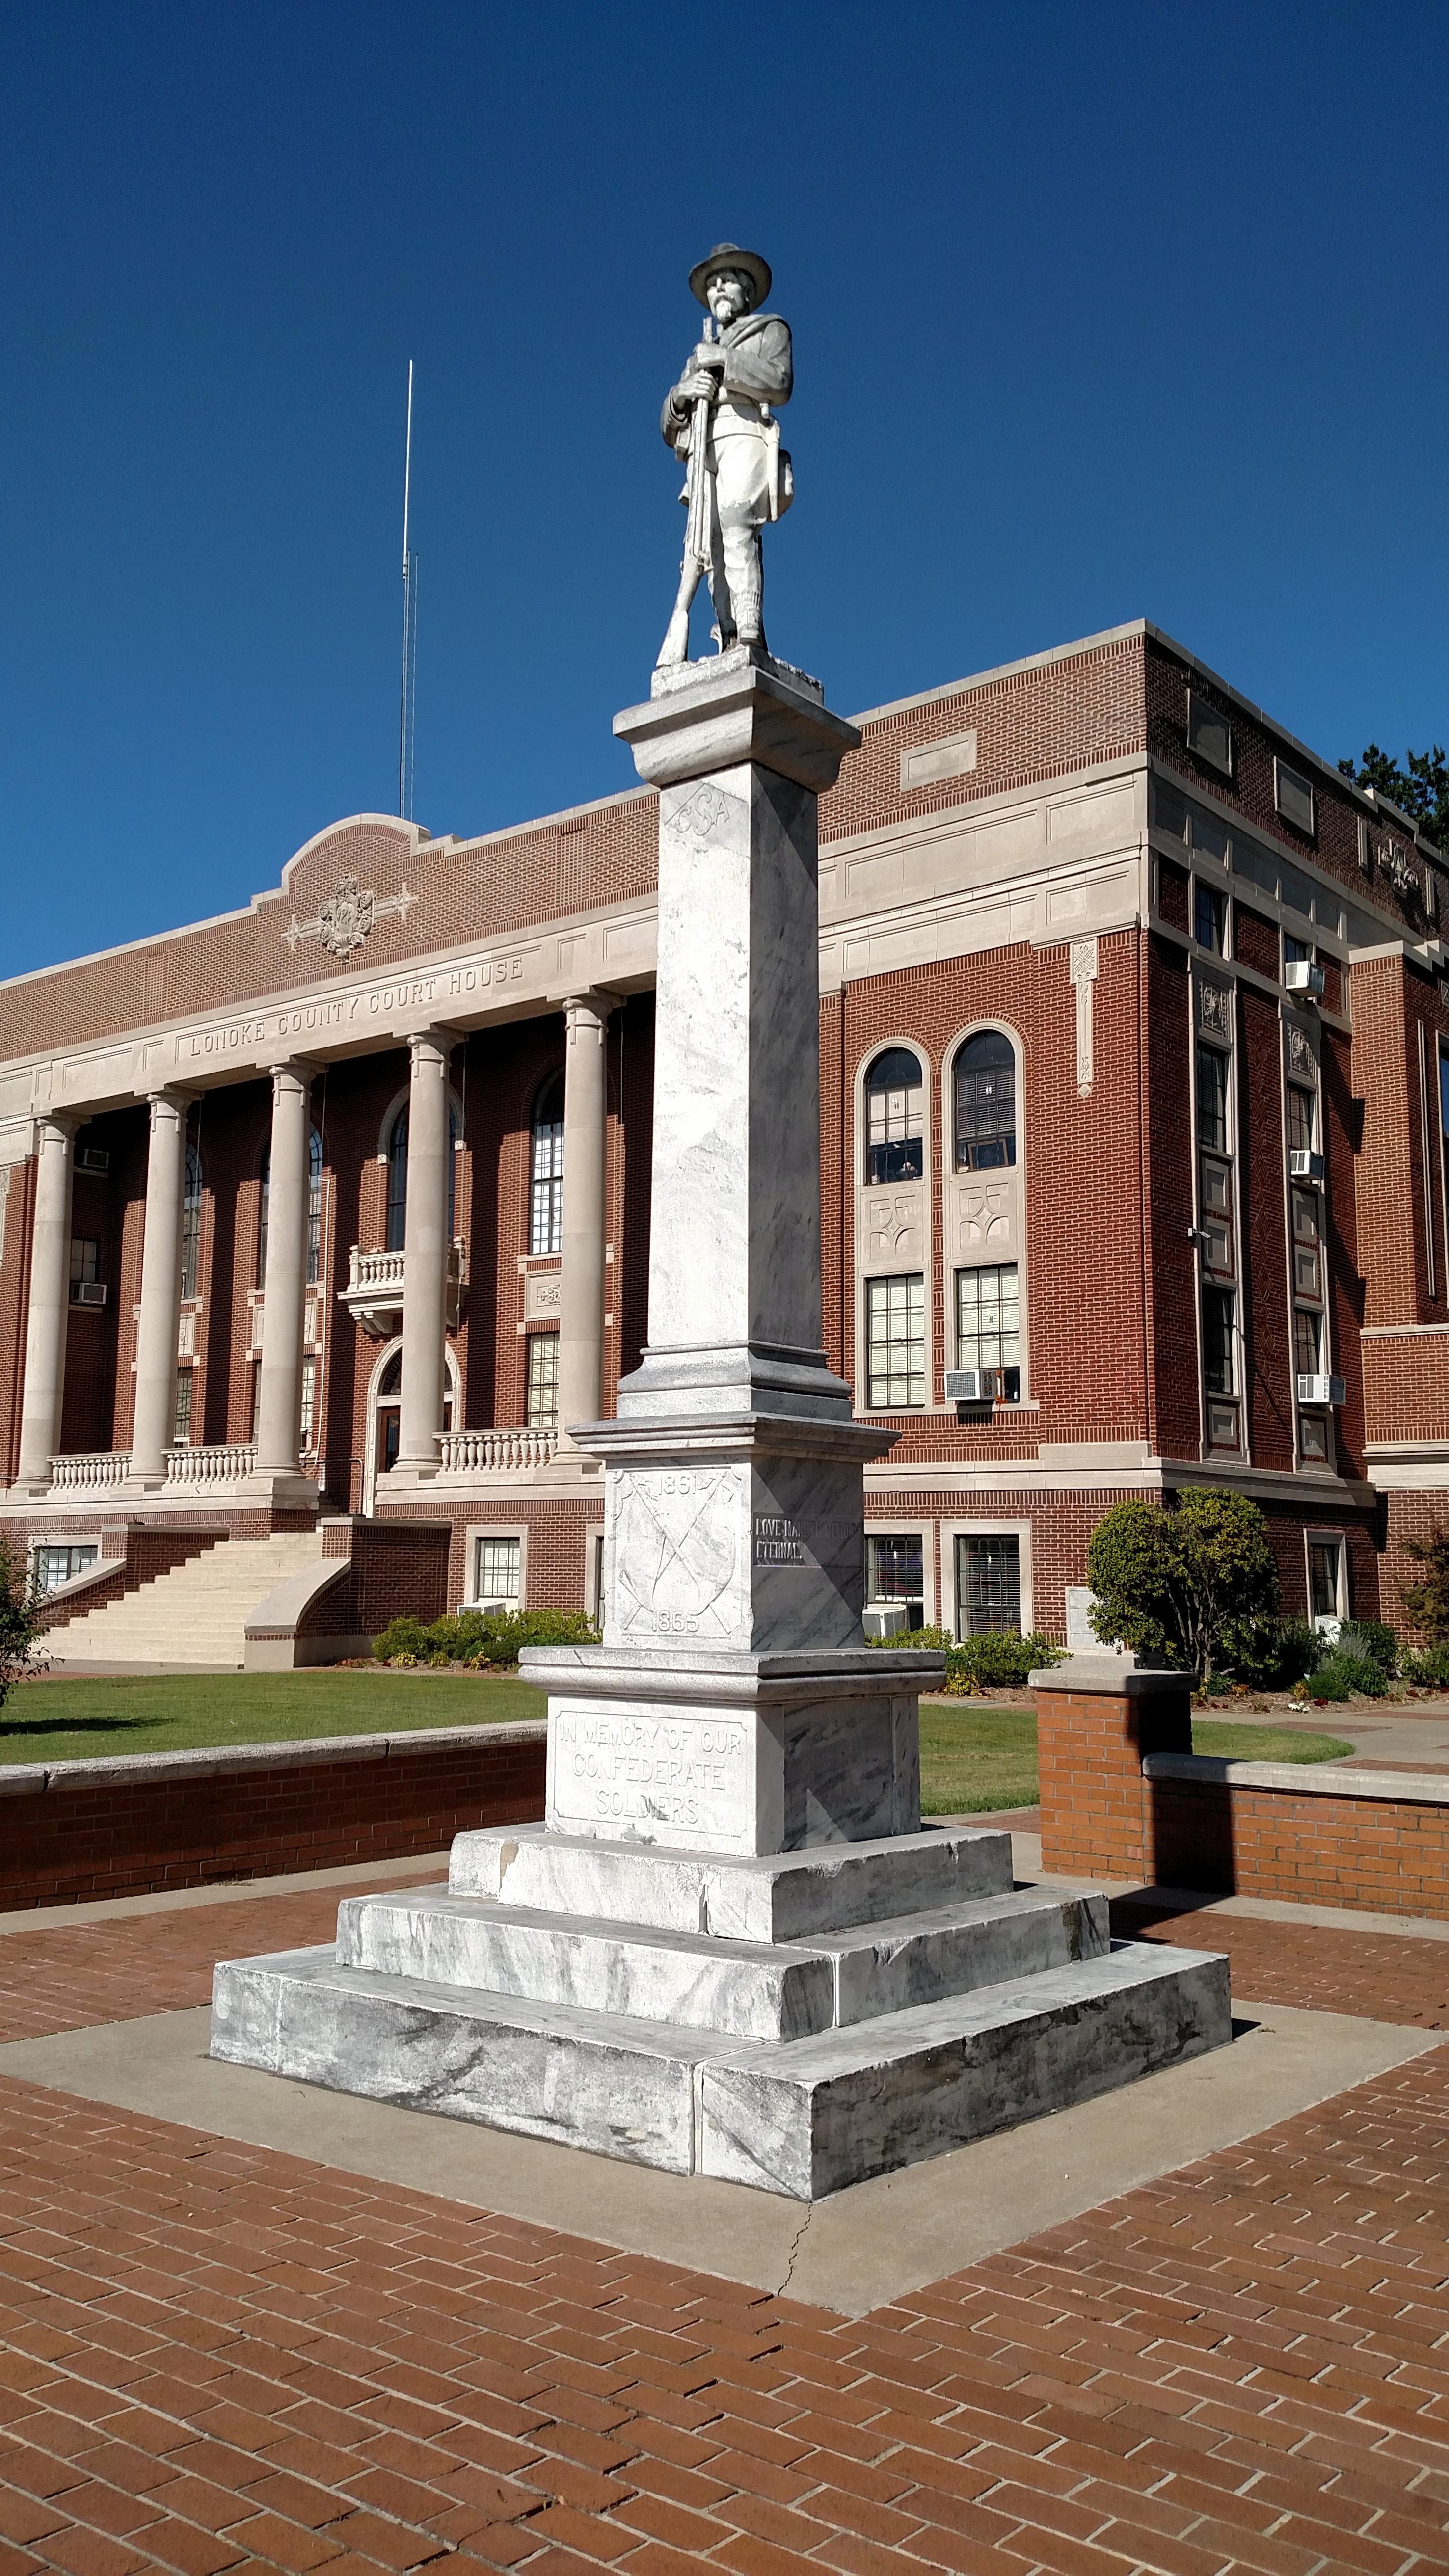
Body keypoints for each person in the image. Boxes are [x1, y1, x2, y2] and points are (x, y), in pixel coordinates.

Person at [657, 243, 792, 667]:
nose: (718, 289)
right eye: (712, 284)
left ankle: (750, 631)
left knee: (737, 522)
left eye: (726, 281)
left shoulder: (770, 330)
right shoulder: (699, 351)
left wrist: (726, 362)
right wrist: (681, 396)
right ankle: (730, 633)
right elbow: (667, 424)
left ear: (747, 292)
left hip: (745, 430)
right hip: (703, 446)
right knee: (709, 546)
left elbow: (780, 382)